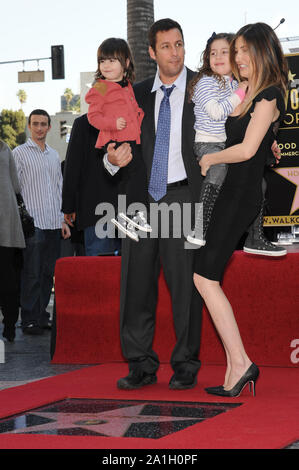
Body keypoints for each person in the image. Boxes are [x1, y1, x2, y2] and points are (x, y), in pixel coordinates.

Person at [105, 18, 203, 390]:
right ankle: (141, 364)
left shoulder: (202, 89)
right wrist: (110, 160)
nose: (175, 52)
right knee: (135, 285)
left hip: (184, 198)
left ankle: (185, 364)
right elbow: (110, 143)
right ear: (151, 52)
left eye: (179, 44)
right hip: (138, 202)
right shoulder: (134, 94)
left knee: (185, 287)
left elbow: (234, 125)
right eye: (166, 46)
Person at [193, 22, 289, 397]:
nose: (238, 58)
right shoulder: (250, 94)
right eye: (236, 51)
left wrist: (212, 157)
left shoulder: (268, 93)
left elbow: (247, 150)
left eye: (245, 50)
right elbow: (258, 145)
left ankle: (241, 363)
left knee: (205, 277)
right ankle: (239, 365)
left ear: (263, 51)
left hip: (239, 195)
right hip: (235, 191)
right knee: (206, 277)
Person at [85, 37, 151, 242]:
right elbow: (93, 116)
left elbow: (130, 108)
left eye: (112, 60)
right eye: (102, 61)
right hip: (117, 140)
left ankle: (133, 217)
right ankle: (128, 217)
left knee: (133, 180)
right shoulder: (101, 86)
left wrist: (138, 114)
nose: (106, 65)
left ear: (126, 63)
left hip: (132, 138)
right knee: (134, 177)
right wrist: (113, 123)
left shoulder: (127, 86)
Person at [186, 32, 248, 246]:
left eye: (224, 52)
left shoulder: (232, 83)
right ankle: (200, 227)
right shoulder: (206, 82)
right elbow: (216, 112)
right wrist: (241, 93)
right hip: (208, 142)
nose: (218, 57)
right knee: (219, 167)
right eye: (213, 53)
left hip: (227, 143)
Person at [13, 109, 70, 335]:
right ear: (29, 126)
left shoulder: (54, 155)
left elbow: (59, 189)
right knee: (32, 273)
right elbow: (14, 189)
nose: (39, 128)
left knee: (48, 273)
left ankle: (41, 315)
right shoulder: (19, 153)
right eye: (35, 124)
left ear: (49, 127)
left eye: (43, 124)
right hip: (33, 223)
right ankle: (28, 318)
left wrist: (63, 219)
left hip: (53, 222)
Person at [0, 141, 25, 342]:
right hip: (5, 224)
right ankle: (9, 327)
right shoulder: (4, 148)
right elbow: (16, 185)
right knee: (7, 275)